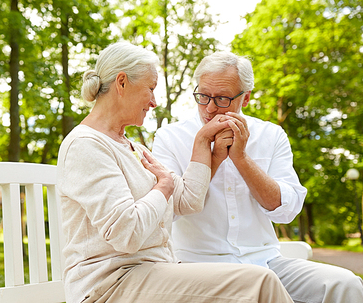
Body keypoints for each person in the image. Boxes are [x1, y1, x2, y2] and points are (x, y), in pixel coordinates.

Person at [57, 42, 294, 303]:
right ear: (122, 83)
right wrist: (163, 187)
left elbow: (187, 201)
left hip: (152, 273)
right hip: (110, 284)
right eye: (150, 88)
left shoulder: (132, 147)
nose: (154, 102)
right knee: (259, 282)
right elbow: (127, 233)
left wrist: (206, 146)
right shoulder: (86, 145)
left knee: (257, 280)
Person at [152, 51, 363, 303]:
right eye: (203, 96)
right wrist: (213, 157)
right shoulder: (170, 137)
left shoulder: (271, 136)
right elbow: (171, 210)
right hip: (197, 264)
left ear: (246, 98)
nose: (209, 107)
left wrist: (241, 158)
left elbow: (286, 210)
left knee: (346, 284)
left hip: (266, 261)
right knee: (255, 285)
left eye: (221, 98)